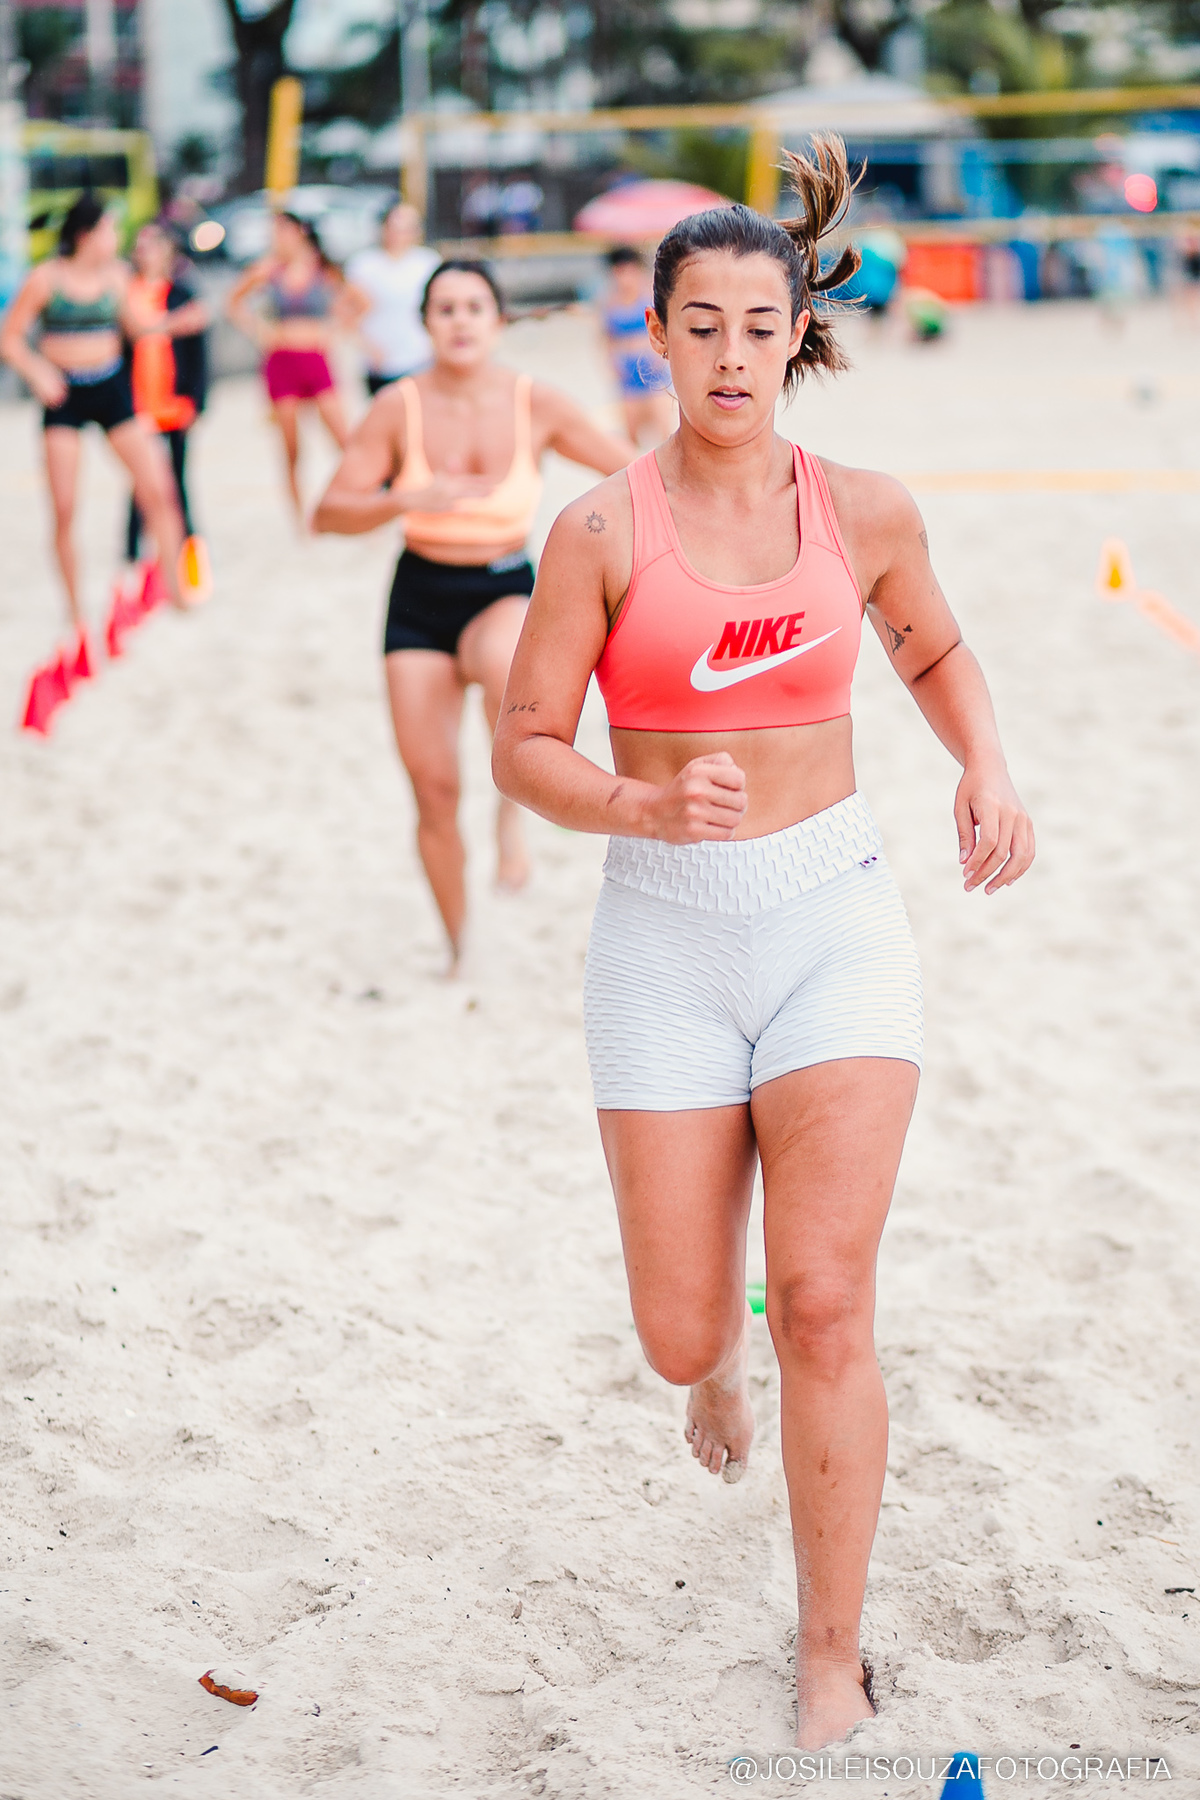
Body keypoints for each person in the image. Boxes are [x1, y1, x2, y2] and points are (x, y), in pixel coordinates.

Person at [492, 136, 1034, 1750]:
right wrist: (637, 809)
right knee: (684, 1330)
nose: (733, 353)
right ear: (655, 333)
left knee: (824, 1301)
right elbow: (525, 741)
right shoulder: (597, 531)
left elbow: (935, 649)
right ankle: (710, 1368)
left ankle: (828, 1652)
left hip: (831, 919)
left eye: (759, 322)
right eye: (701, 324)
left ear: (801, 328)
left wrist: (984, 767)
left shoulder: (859, 507)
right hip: (662, 936)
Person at [312, 259, 633, 973]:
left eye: (474, 308)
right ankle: (459, 948)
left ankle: (509, 817)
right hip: (419, 595)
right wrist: (403, 499)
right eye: (445, 309)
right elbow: (328, 513)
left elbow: (630, 474)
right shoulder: (399, 406)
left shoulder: (535, 402)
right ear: (425, 323)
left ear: (497, 321)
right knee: (432, 791)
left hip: (501, 584)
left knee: (505, 676)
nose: (460, 321)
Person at [0, 192, 189, 633]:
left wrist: (177, 318)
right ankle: (74, 610)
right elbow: (9, 339)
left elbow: (140, 328)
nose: (116, 237)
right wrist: (37, 371)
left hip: (109, 390)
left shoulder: (118, 277)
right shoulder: (47, 279)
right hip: (64, 395)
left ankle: (177, 590)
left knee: (158, 489)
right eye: (109, 229)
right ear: (86, 234)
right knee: (65, 508)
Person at [227, 211, 368, 522]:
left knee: (343, 439)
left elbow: (361, 302)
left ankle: (356, 503)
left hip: (315, 358)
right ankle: (299, 517)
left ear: (300, 232)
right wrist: (258, 330)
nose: (276, 238)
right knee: (291, 447)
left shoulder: (323, 270)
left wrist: (336, 328)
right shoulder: (268, 269)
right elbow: (233, 302)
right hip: (281, 361)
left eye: (282, 231)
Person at [125, 219, 211, 566]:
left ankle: (186, 537)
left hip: (172, 398)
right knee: (138, 476)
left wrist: (196, 399)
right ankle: (133, 545)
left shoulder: (181, 293)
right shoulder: (126, 291)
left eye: (154, 245)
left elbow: (199, 354)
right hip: (136, 400)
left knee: (177, 473)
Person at [347, 202, 440, 397]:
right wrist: (367, 346)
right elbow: (346, 313)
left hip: (419, 358)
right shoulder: (364, 265)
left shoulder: (428, 263)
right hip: (379, 361)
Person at [600, 245, 675, 447]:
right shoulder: (609, 302)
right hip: (627, 372)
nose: (624, 278)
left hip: (653, 369)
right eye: (619, 272)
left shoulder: (651, 296)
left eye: (628, 271)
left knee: (664, 432)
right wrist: (611, 364)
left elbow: (667, 329)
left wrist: (661, 355)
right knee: (631, 435)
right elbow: (606, 338)